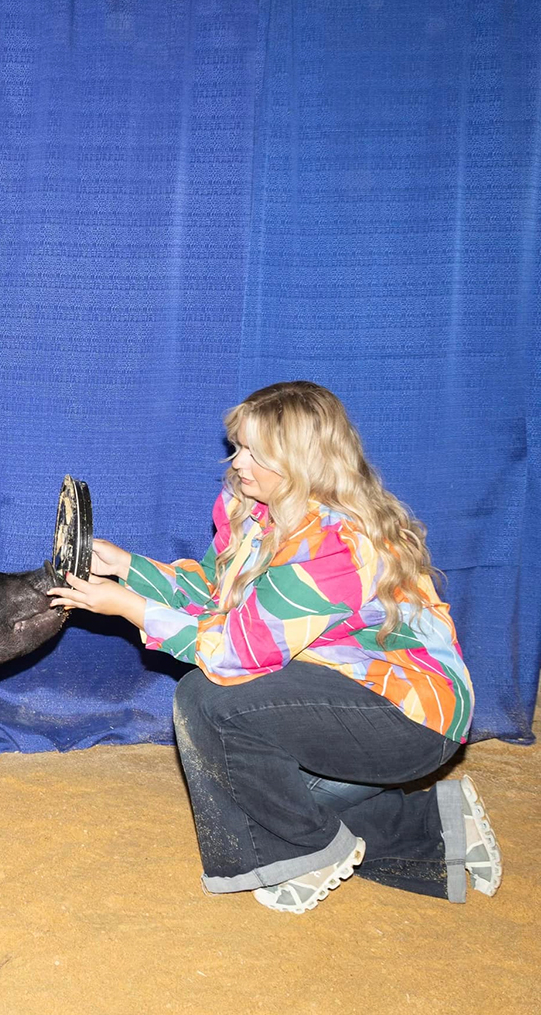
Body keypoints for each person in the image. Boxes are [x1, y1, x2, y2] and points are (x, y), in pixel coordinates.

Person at [49, 381, 502, 912]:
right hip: (346, 695)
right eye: (237, 446)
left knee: (208, 701)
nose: (236, 462)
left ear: (300, 462)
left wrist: (128, 606)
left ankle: (308, 857)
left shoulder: (333, 545)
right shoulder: (263, 515)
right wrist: (128, 568)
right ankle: (443, 830)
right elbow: (223, 600)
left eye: (252, 453)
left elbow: (232, 651)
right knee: (269, 794)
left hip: (412, 718)